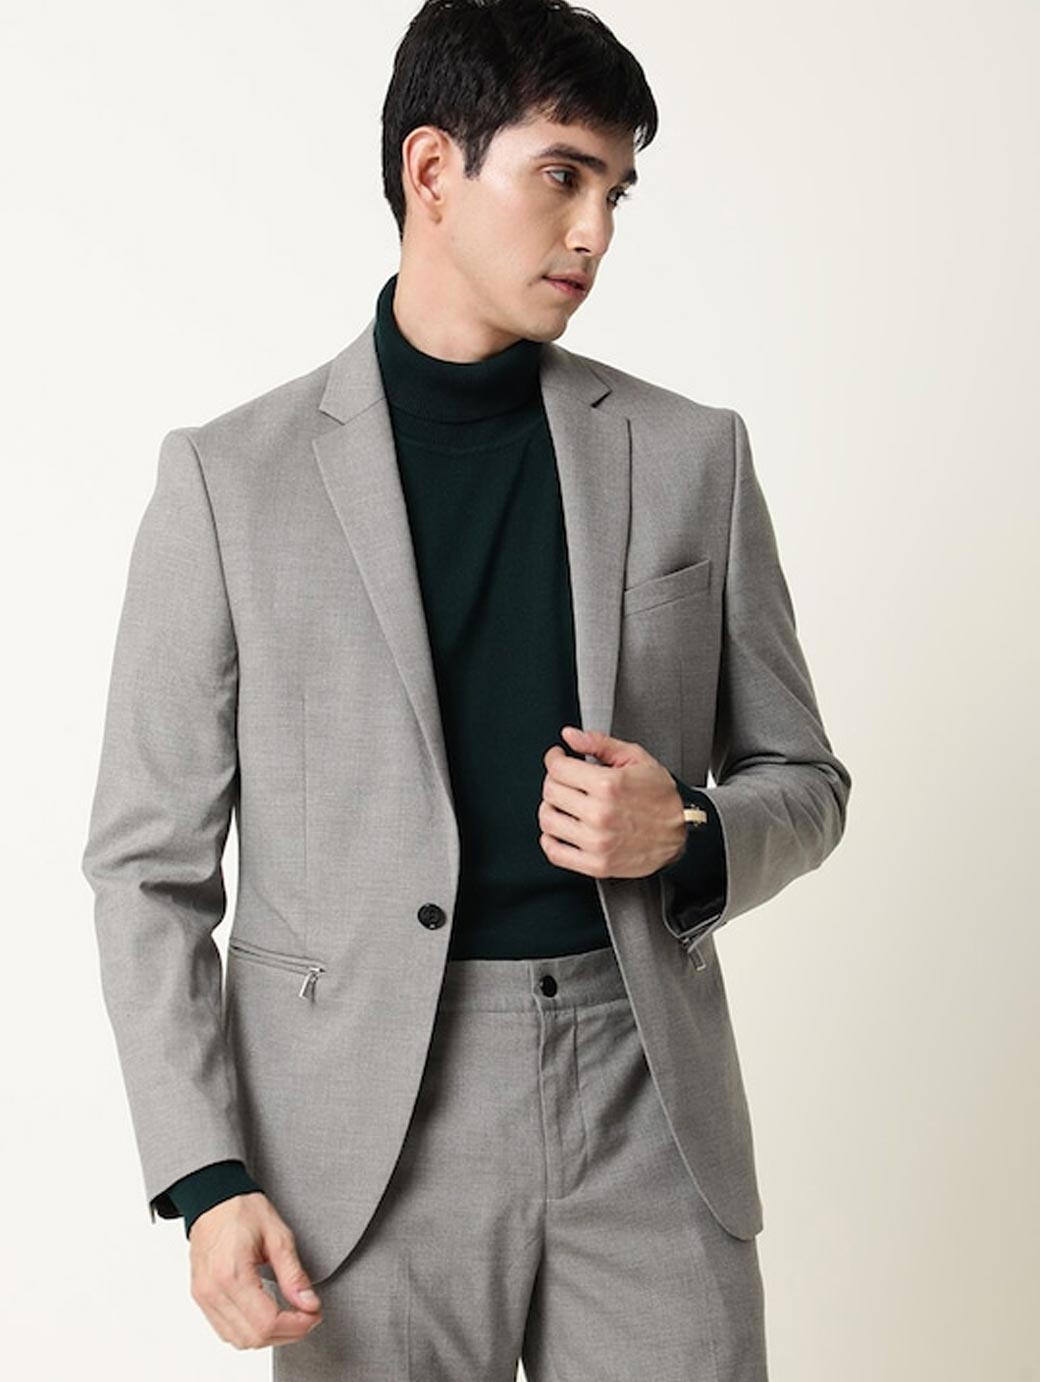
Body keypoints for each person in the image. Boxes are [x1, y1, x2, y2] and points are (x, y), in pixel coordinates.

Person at [81, 1, 852, 1377]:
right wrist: (204, 1174)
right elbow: (148, 867)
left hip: (646, 1105)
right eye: (563, 175)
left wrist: (688, 832)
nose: (595, 232)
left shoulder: (692, 455)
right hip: (363, 1138)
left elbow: (807, 780)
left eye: (615, 192)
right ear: (433, 171)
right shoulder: (228, 481)